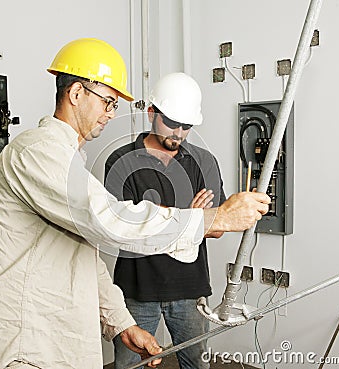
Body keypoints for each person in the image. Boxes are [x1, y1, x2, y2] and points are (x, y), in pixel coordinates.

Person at [0, 38, 270, 369]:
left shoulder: (69, 161)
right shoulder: (38, 152)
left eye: (114, 106)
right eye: (108, 101)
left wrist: (121, 321)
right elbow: (111, 221)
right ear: (77, 94)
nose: (110, 114)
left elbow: (83, 255)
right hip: (19, 342)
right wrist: (213, 218)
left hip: (54, 335)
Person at [104, 72, 228, 369]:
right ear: (151, 113)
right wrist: (191, 215)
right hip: (135, 290)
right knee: (128, 366)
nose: (178, 132)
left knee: (197, 365)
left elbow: (218, 227)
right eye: (171, 123)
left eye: (186, 125)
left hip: (190, 288)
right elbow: (122, 229)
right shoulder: (119, 160)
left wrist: (153, 215)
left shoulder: (204, 161)